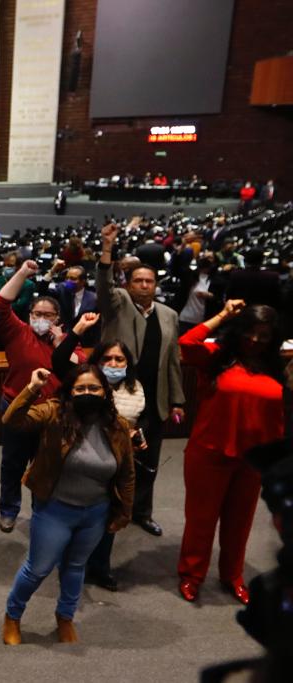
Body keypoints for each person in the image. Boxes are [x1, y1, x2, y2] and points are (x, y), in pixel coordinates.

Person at [1, 365, 135, 645]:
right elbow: (11, 420)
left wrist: (125, 512)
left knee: (75, 566)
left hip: (95, 512)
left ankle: (65, 617)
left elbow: (127, 474)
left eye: (94, 388)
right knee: (38, 568)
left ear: (105, 391)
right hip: (55, 509)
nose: (88, 393)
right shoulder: (54, 413)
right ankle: (12, 616)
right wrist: (33, 388)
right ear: (69, 392)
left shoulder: (117, 426)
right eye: (80, 388)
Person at [177, 301, 285, 604]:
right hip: (209, 452)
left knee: (240, 522)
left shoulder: (277, 367)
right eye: (250, 332)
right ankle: (191, 575)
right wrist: (223, 314)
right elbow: (187, 342)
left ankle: (233, 576)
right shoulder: (217, 357)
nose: (255, 340)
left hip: (254, 459)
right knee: (201, 520)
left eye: (263, 335)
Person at [98, 221, 184, 536]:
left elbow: (172, 362)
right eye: (138, 280)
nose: (144, 285)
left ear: (156, 285)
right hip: (119, 398)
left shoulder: (169, 316)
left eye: (149, 281)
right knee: (110, 458)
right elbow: (104, 287)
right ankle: (105, 510)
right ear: (129, 283)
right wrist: (107, 248)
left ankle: (141, 512)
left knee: (148, 462)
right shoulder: (118, 303)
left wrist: (177, 400)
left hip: (155, 400)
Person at [52, 312, 145, 591]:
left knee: (108, 518)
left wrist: (139, 436)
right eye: (107, 359)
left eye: (119, 359)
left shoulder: (136, 388)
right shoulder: (85, 383)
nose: (113, 364)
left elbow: (143, 419)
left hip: (114, 463)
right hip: (79, 460)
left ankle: (100, 568)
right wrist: (78, 330)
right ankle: (71, 566)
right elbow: (59, 360)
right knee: (75, 518)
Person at [0, 259, 81, 532]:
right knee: (13, 463)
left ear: (57, 319)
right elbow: (0, 305)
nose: (41, 319)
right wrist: (22, 273)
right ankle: (8, 509)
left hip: (53, 411)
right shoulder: (18, 332)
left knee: (46, 464)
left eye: (48, 315)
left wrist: (61, 344)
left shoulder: (68, 340)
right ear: (29, 314)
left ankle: (40, 511)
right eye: (37, 313)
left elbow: (81, 367)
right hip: (17, 407)